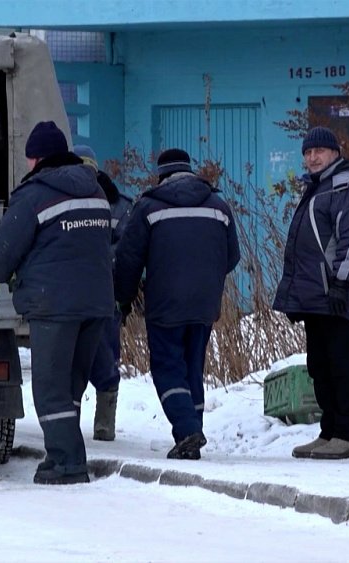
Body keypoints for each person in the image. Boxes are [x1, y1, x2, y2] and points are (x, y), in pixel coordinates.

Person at [0, 121, 113, 485]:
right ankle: (60, 456)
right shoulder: (95, 191)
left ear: (36, 158)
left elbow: (6, 245)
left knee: (51, 388)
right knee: (71, 386)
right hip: (97, 305)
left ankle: (68, 463)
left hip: (55, 306)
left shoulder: (35, 195)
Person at [114, 148, 240, 460]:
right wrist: (206, 280)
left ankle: (187, 430)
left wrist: (123, 299)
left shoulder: (148, 207)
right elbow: (232, 256)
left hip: (165, 303)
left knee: (168, 367)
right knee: (193, 367)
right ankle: (192, 430)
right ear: (190, 170)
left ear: (162, 175)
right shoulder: (219, 207)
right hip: (204, 304)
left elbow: (129, 260)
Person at [273, 126, 349, 460]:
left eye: (319, 151)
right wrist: (295, 295)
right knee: (319, 363)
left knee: (341, 362)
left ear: (334, 153)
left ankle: (348, 434)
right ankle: (329, 431)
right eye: (307, 152)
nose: (312, 158)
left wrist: (342, 282)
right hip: (315, 294)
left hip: (337, 292)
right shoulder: (316, 187)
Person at [73, 144, 133, 441]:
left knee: (105, 357)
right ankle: (68, 423)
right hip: (70, 295)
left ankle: (104, 422)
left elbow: (126, 247)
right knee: (71, 360)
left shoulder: (119, 206)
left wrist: (95, 257)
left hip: (106, 293)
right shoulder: (62, 198)